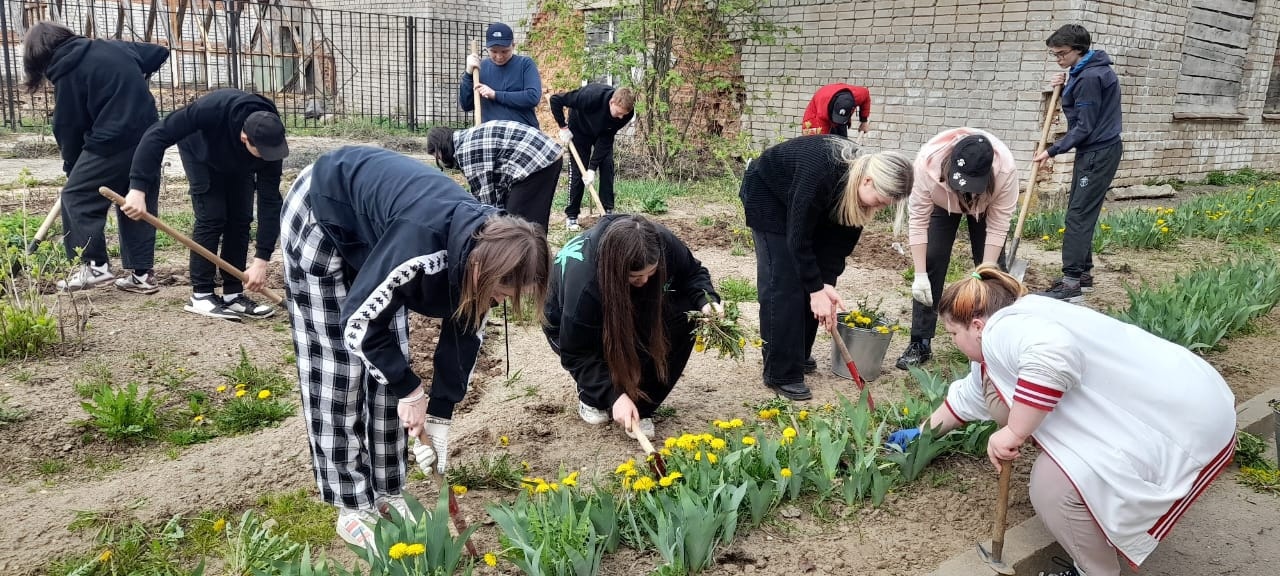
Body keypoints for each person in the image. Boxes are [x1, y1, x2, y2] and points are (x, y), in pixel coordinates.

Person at [886, 264, 1235, 576]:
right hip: (1192, 400)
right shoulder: (1018, 320)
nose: (954, 343)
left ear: (976, 325)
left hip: (1177, 424)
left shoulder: (1003, 330)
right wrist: (920, 433)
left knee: (1053, 489)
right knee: (1065, 474)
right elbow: (972, 396)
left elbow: (1053, 357)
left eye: (952, 334)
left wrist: (1014, 432)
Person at [280, 146, 550, 548]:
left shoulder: (489, 249)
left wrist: (438, 414)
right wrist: (410, 389)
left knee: (395, 363)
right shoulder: (422, 246)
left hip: (378, 231)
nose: (501, 302)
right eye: (502, 292)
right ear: (482, 269)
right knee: (339, 367)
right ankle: (352, 505)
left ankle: (388, 491)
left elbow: (464, 333)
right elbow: (360, 320)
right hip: (323, 211)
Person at [740, 135, 913, 400]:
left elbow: (839, 243)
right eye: (878, 201)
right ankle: (781, 372)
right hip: (769, 196)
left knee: (817, 285)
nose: (877, 208)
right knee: (784, 282)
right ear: (867, 181)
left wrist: (826, 283)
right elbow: (798, 239)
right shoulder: (821, 170)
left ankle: (797, 354)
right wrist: (814, 289)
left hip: (806, 204)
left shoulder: (856, 191)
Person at [544, 214, 722, 439]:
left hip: (629, 302)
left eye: (651, 273)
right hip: (567, 323)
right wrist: (613, 395)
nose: (645, 281)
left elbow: (693, 273)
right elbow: (577, 352)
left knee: (686, 315)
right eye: (636, 277)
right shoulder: (585, 285)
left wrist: (707, 301)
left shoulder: (661, 242)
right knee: (602, 354)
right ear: (617, 270)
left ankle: (642, 405)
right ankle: (593, 397)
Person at [21, 21, 169, 291]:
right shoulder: (113, 47)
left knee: (76, 196)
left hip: (110, 142)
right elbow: (159, 53)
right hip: (150, 138)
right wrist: (132, 77)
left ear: (40, 55)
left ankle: (94, 267)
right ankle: (142, 275)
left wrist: (72, 168)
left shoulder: (67, 71)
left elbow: (68, 127)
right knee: (134, 201)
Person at [125, 88, 288, 320]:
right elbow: (156, 135)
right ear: (245, 139)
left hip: (237, 161)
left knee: (241, 218)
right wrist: (137, 189)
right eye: (261, 152)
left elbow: (270, 201)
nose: (267, 157)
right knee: (212, 216)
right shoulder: (210, 111)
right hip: (200, 151)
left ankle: (233, 294)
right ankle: (201, 295)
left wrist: (261, 260)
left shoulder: (269, 140)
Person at [896, 129, 1018, 370]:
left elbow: (998, 226)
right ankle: (920, 341)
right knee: (932, 259)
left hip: (986, 205)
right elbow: (918, 220)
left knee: (995, 274)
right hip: (942, 200)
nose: (966, 189)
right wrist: (920, 275)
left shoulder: (1006, 172)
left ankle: (995, 339)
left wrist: (986, 272)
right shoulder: (925, 166)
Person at [1032, 24, 1123, 302]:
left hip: (1096, 152)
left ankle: (1071, 283)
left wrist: (1052, 150)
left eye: (1061, 53)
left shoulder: (1090, 77)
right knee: (1081, 210)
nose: (1058, 58)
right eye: (1054, 54)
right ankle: (1082, 275)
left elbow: (1084, 126)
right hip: (1098, 150)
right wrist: (1066, 83)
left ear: (1079, 50)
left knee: (1078, 215)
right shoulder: (1086, 70)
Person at [425, 120, 562, 231]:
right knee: (531, 220)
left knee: (517, 225)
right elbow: (498, 193)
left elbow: (486, 202)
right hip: (546, 155)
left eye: (437, 156)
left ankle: (526, 259)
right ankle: (534, 257)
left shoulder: (466, 151)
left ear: (440, 147)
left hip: (537, 160)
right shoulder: (466, 139)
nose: (440, 161)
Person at [549, 84, 636, 230]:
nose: (621, 117)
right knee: (577, 171)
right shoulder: (590, 96)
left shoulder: (627, 114)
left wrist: (592, 168)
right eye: (619, 112)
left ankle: (607, 212)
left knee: (607, 166)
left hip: (603, 133)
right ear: (611, 102)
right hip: (579, 129)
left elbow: (606, 139)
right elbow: (555, 100)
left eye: (624, 114)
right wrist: (563, 127)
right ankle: (572, 216)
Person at [458, 22, 542, 128]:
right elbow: (466, 105)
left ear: (513, 45)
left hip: (522, 133)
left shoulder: (525, 64)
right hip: (490, 134)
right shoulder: (479, 68)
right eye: (494, 51)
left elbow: (532, 97)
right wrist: (468, 74)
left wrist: (495, 94)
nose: (499, 56)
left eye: (504, 51)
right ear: (487, 48)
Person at [801, 83, 872, 137]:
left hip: (834, 108)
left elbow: (866, 97)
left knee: (842, 141)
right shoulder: (822, 111)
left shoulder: (858, 94)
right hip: (814, 121)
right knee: (818, 143)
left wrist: (864, 122)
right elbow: (822, 138)